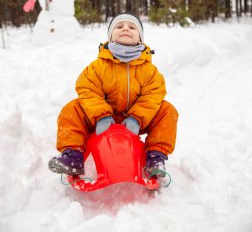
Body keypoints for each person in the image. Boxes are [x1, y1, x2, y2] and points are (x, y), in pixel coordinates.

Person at [48, 13, 178, 177]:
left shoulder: (149, 71)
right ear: (110, 37)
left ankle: (156, 157)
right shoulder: (98, 67)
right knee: (72, 108)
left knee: (167, 111)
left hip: (135, 122)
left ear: (140, 39)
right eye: (119, 27)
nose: (125, 29)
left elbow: (153, 95)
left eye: (132, 27)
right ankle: (73, 155)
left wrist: (136, 118)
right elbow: (87, 89)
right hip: (101, 120)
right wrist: (101, 115)